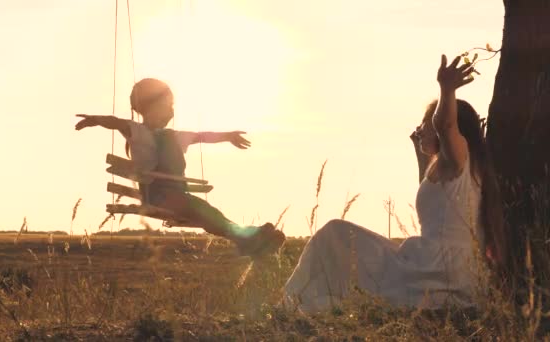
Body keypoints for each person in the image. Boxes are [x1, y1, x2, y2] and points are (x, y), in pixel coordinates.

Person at [282, 55, 509, 313]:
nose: (421, 128)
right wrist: (419, 153)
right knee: (342, 244)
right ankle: (299, 305)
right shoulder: (448, 168)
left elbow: (445, 124)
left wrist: (446, 89)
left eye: (425, 123)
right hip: (435, 264)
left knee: (334, 234)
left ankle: (290, 305)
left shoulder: (461, 156)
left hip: (434, 268)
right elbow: (436, 201)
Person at [75, 77, 285, 256]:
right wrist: (95, 120)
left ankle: (248, 238)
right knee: (203, 211)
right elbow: (116, 122)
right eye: (166, 105)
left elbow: (203, 136)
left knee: (207, 212)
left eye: (171, 106)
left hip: (177, 195)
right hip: (156, 195)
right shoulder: (137, 131)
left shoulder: (175, 136)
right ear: (147, 107)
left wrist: (227, 136)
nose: (170, 111)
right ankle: (248, 238)